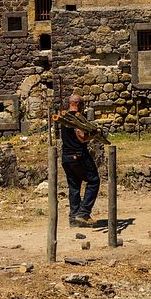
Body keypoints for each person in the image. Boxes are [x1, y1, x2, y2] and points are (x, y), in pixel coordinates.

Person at [60, 94, 100, 227]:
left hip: (66, 157)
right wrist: (93, 135)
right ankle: (83, 213)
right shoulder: (77, 118)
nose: (83, 108)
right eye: (82, 105)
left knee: (74, 187)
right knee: (94, 180)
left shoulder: (64, 117)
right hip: (78, 155)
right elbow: (82, 137)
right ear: (78, 104)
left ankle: (74, 218)